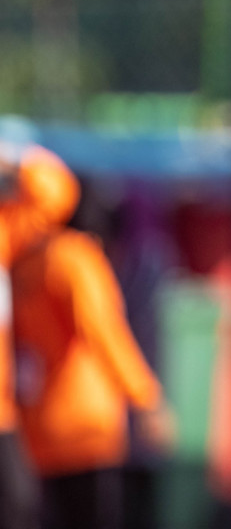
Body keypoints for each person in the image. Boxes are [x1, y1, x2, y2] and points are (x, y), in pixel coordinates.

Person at [10, 175, 175, 529]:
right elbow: (104, 332)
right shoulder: (75, 257)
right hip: (86, 425)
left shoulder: (23, 261)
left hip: (38, 425)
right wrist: (146, 398)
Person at [0, 143, 83, 529]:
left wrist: (18, 160)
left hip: (5, 412)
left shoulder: (6, 233)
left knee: (20, 506)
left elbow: (56, 194)